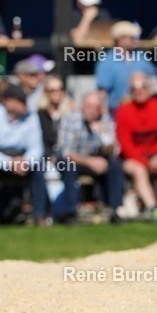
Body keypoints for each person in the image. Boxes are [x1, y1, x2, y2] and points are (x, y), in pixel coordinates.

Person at [0, 85, 48, 227]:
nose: (24, 105)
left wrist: (26, 162)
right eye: (20, 101)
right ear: (8, 102)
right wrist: (9, 163)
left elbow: (36, 147)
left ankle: (39, 215)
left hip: (22, 159)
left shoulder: (31, 117)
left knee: (39, 170)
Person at [54, 91, 123, 223]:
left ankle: (114, 210)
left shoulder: (104, 119)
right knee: (69, 166)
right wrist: (90, 162)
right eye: (89, 106)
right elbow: (66, 152)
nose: (92, 111)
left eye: (96, 107)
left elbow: (115, 151)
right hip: (73, 160)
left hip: (96, 160)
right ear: (82, 107)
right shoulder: (71, 119)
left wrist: (104, 135)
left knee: (115, 165)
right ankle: (70, 213)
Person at [114, 72, 157, 222]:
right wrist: (146, 163)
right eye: (134, 87)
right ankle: (154, 210)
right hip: (133, 158)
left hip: (155, 155)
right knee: (139, 170)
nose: (139, 90)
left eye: (142, 86)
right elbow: (125, 145)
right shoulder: (123, 111)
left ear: (150, 87)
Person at [95, 21, 154, 112]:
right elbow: (102, 91)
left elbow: (152, 77)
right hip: (118, 112)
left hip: (143, 111)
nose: (135, 40)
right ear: (120, 39)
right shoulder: (107, 62)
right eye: (131, 38)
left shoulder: (141, 57)